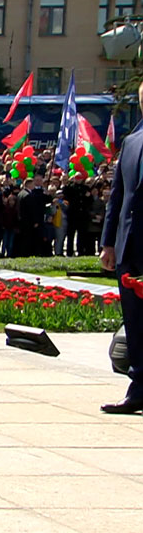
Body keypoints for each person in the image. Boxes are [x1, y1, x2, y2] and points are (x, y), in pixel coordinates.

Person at [100, 95, 143, 414]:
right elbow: (117, 197)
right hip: (131, 247)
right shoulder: (131, 142)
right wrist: (108, 243)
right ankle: (139, 387)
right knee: (136, 323)